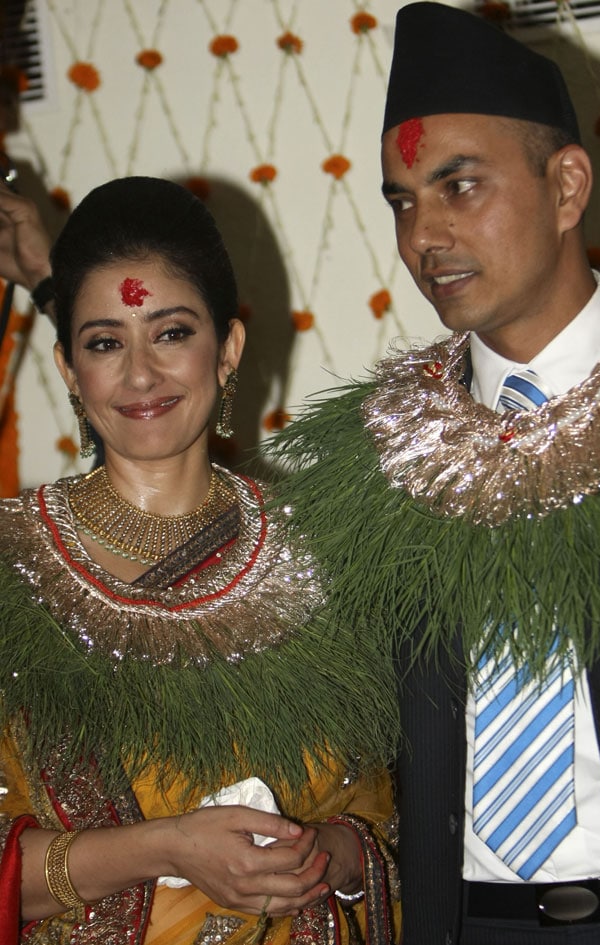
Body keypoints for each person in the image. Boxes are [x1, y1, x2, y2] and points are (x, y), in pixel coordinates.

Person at [270, 4, 600, 945]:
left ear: (569, 184)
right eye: (400, 200)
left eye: (459, 185)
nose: (423, 234)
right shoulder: (375, 458)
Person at [0, 176, 400, 945]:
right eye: (105, 342)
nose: (141, 374)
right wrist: (164, 846)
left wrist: (331, 854)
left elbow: (386, 815)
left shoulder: (323, 558)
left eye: (173, 332)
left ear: (229, 349)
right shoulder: (10, 572)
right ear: (68, 369)